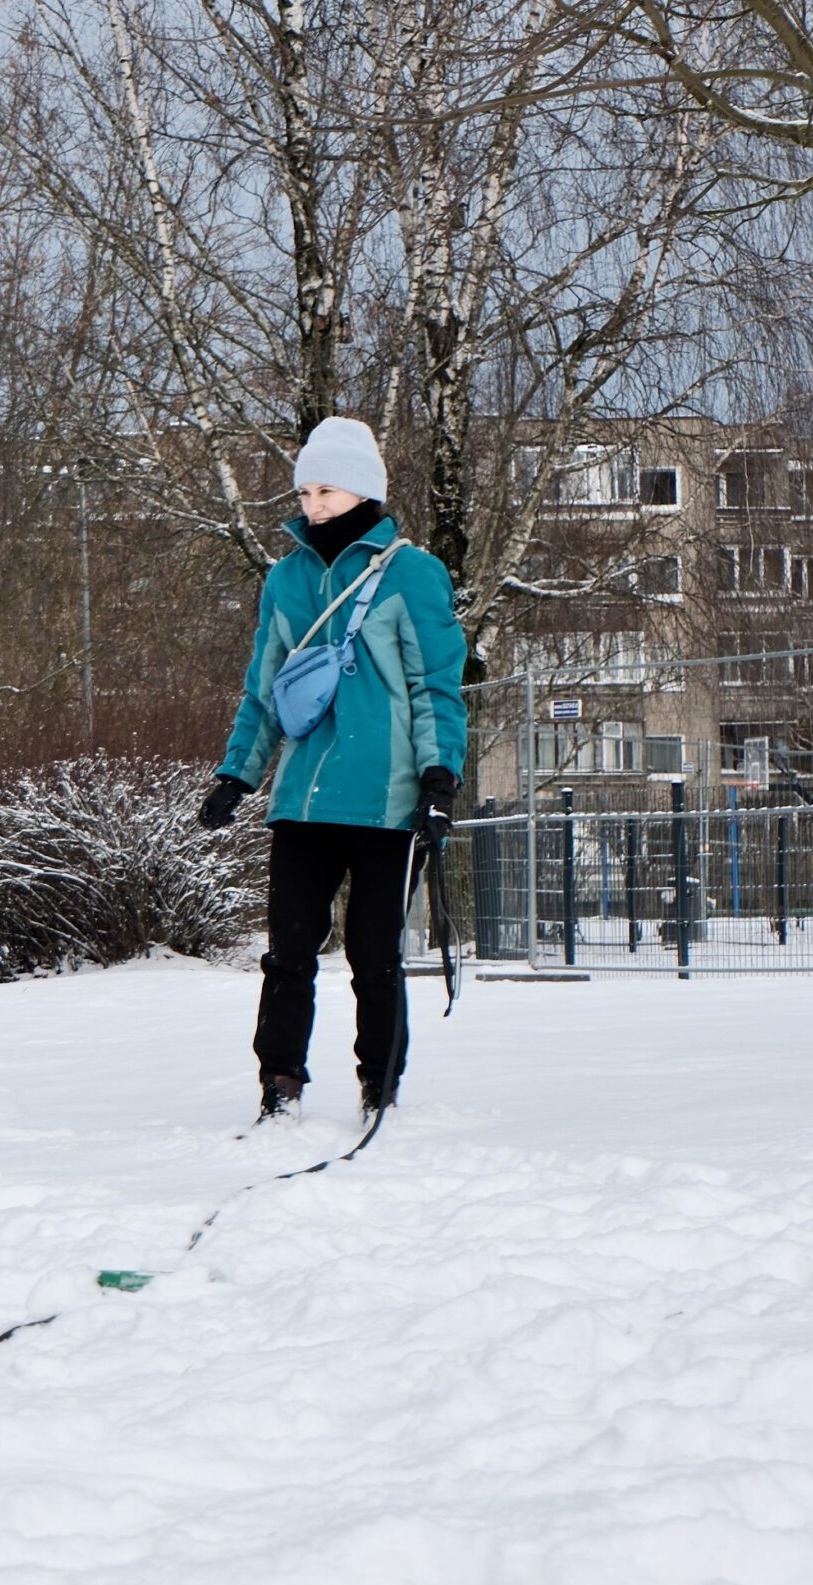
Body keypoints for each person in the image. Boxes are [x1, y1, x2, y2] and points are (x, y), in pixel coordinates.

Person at [199, 416, 467, 1125]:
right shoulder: (286, 579)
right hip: (304, 799)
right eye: (305, 489)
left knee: (374, 956)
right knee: (288, 951)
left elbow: (436, 686)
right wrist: (238, 774)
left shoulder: (413, 573)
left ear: (364, 490)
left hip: (387, 802)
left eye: (327, 489)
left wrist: (441, 777)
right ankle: (279, 1082)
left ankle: (380, 1084)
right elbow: (264, 688)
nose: (312, 503)